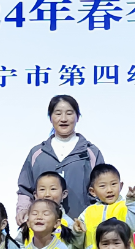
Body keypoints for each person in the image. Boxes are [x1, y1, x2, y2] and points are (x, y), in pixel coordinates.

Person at [16, 94, 104, 222]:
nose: (63, 119)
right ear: (50, 117)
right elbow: (25, 189)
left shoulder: (91, 152)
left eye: (69, 113)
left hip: (83, 226)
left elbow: (102, 188)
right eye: (58, 113)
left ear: (77, 117)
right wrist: (23, 210)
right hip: (44, 227)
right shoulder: (37, 153)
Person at [74, 163, 135, 249]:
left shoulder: (126, 206)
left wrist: (134, 202)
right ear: (93, 191)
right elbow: (79, 244)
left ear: (121, 186)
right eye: (103, 186)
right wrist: (77, 232)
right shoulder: (88, 212)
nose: (109, 190)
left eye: (113, 184)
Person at [22, 172, 74, 242]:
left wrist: (78, 233)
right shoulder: (29, 221)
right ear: (35, 195)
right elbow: (20, 242)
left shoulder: (69, 223)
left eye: (53, 189)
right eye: (42, 189)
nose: (47, 194)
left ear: (64, 194)